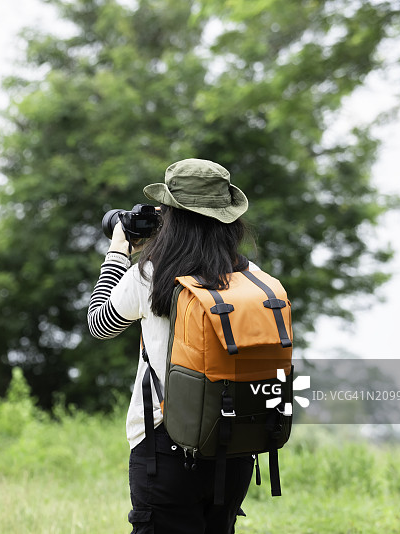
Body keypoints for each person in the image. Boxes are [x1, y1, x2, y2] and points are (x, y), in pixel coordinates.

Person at [88, 158, 255, 533]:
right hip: (235, 446)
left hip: (166, 448)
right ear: (229, 219)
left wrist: (118, 252)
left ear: (172, 217)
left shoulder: (151, 275)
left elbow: (100, 324)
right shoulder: (253, 277)